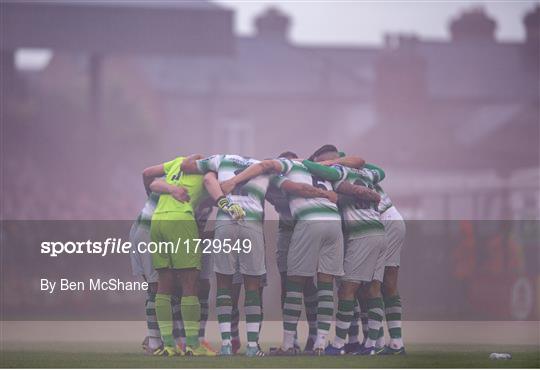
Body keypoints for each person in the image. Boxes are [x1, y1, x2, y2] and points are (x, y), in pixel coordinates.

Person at [219, 151, 373, 356]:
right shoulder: (324, 171)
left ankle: (288, 343)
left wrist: (235, 180)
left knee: (294, 282)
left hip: (307, 222)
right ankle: (320, 343)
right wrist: (330, 192)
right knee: (326, 282)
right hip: (332, 221)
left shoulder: (285, 169)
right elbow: (357, 164)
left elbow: (267, 167)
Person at [181, 154, 291, 357]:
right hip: (252, 223)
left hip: (225, 222)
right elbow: (294, 186)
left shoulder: (221, 159)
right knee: (253, 285)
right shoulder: (264, 167)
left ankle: (225, 345)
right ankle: (252, 346)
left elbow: (186, 166)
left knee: (223, 284)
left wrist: (207, 172)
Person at [302, 147, 387, 356]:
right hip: (379, 231)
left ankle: (338, 345)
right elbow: (381, 172)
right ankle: (371, 346)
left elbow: (309, 166)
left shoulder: (339, 172)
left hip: (362, 234)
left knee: (346, 290)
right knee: (373, 290)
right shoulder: (366, 173)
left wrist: (326, 164)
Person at [142, 154, 215, 356]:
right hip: (181, 221)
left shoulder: (177, 163)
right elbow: (218, 188)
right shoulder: (207, 170)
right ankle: (192, 344)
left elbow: (151, 180)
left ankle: (168, 345)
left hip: (157, 222)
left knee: (163, 286)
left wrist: (172, 188)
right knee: (190, 284)